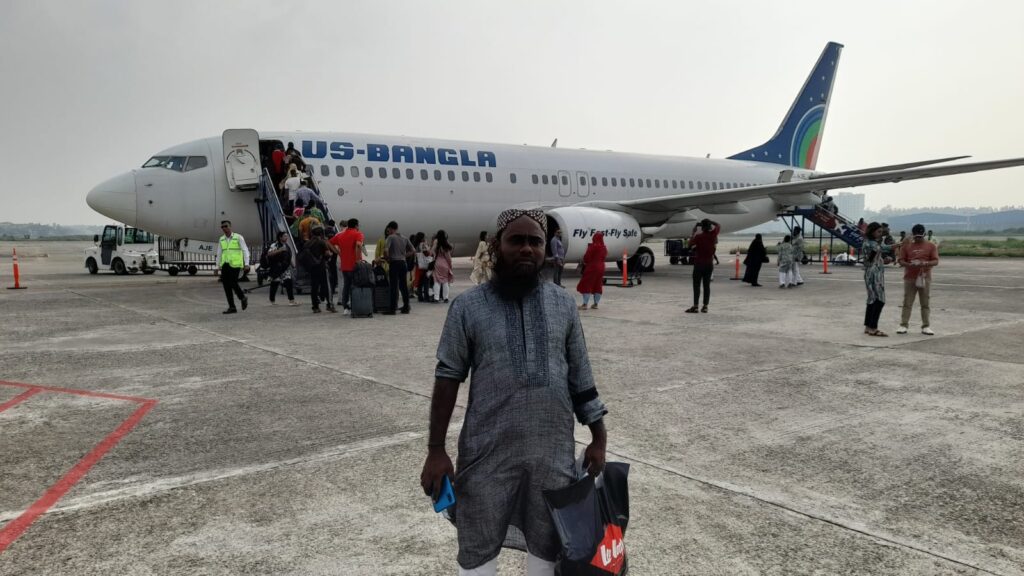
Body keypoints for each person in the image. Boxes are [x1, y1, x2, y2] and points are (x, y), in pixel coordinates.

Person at [420, 208, 608, 575]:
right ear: (497, 246)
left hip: (552, 456)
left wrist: (599, 437)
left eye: (535, 242)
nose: (527, 249)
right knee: (478, 549)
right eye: (516, 240)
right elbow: (447, 378)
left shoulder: (563, 304)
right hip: (487, 455)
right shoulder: (468, 307)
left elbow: (581, 377)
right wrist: (436, 449)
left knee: (550, 544)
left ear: (544, 249)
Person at [897, 224, 940, 335]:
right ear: (912, 235)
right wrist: (909, 264)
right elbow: (900, 260)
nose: (918, 239)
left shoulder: (931, 246)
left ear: (924, 235)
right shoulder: (906, 246)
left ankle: (926, 326)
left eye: (920, 237)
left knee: (925, 302)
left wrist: (924, 263)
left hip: (925, 277)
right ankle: (903, 325)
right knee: (907, 302)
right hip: (910, 278)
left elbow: (935, 261)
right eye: (916, 237)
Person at [329, 218, 364, 314]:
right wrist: (358, 260)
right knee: (355, 286)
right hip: (354, 265)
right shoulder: (358, 234)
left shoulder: (341, 235)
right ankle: (355, 305)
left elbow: (329, 242)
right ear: (356, 225)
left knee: (346, 286)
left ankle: (345, 307)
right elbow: (358, 245)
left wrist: (338, 252)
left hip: (344, 265)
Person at [214, 221, 250, 314]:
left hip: (235, 264)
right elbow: (219, 253)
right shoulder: (221, 239)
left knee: (233, 282)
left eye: (226, 226)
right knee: (226, 286)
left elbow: (245, 250)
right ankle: (232, 307)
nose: (224, 228)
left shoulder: (238, 237)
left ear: (230, 226)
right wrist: (217, 266)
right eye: (222, 227)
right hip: (225, 264)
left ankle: (242, 297)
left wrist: (247, 264)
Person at [685, 219, 720, 313]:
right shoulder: (713, 235)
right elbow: (718, 225)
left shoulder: (698, 237)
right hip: (709, 264)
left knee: (696, 285)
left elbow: (689, 245)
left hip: (699, 264)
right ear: (709, 227)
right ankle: (705, 306)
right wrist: (711, 221)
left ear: (702, 227)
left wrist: (693, 232)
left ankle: (695, 306)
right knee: (706, 285)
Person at [303, 226, 337, 313]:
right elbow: (327, 254)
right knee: (327, 286)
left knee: (314, 287)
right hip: (322, 267)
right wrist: (331, 254)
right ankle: (329, 305)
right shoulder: (322, 242)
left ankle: (315, 307)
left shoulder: (307, 243)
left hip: (312, 268)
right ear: (321, 234)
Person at [862, 222, 888, 336]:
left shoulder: (868, 243)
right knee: (879, 300)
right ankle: (873, 327)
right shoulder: (873, 244)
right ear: (872, 231)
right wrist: (901, 244)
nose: (880, 234)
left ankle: (868, 326)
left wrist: (882, 260)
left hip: (870, 273)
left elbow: (871, 258)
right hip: (874, 275)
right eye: (878, 231)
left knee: (871, 300)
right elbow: (881, 249)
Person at [384, 221, 415, 314]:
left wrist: (387, 259)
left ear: (390, 228)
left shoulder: (390, 237)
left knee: (393, 286)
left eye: (388, 229)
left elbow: (386, 250)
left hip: (394, 263)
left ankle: (392, 309)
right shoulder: (404, 238)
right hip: (403, 263)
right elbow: (413, 250)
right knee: (403, 286)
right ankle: (406, 307)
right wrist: (404, 255)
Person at [575, 232, 607, 310]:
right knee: (598, 284)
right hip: (601, 267)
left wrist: (585, 262)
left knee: (586, 284)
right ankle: (596, 304)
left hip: (592, 267)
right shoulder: (604, 247)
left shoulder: (592, 247)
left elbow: (586, 257)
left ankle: (585, 304)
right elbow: (604, 256)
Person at [266, 231, 297, 306]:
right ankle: (272, 300)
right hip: (277, 267)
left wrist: (293, 265)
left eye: (287, 236)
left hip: (285, 268)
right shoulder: (275, 245)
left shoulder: (286, 245)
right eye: (285, 236)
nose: (286, 238)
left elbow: (289, 256)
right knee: (275, 283)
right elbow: (269, 254)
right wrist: (280, 250)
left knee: (289, 282)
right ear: (280, 237)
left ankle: (291, 300)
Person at [432, 230, 454, 303]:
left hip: (437, 263)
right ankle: (446, 298)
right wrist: (450, 265)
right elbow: (448, 257)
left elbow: (431, 251)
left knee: (436, 281)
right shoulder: (445, 243)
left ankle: (436, 298)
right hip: (445, 264)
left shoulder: (436, 242)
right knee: (445, 282)